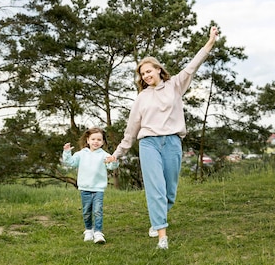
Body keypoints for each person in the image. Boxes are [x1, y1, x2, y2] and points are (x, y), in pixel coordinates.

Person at [106, 26, 219, 250]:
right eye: (142, 74)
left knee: (169, 192)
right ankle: (162, 235)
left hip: (172, 143)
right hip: (149, 144)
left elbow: (192, 66)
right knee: (155, 188)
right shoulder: (141, 99)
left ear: (158, 69)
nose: (146, 76)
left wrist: (210, 43)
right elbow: (131, 131)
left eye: (149, 71)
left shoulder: (175, 86)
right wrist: (117, 153)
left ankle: (157, 218)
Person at [63, 127, 119, 244]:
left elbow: (111, 167)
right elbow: (70, 163)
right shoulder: (81, 154)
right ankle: (89, 230)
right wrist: (67, 152)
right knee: (86, 211)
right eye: (93, 139)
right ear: (87, 140)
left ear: (103, 142)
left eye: (99, 139)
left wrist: (114, 160)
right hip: (85, 188)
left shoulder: (104, 155)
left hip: (98, 189)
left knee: (98, 210)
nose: (96, 142)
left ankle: (98, 232)